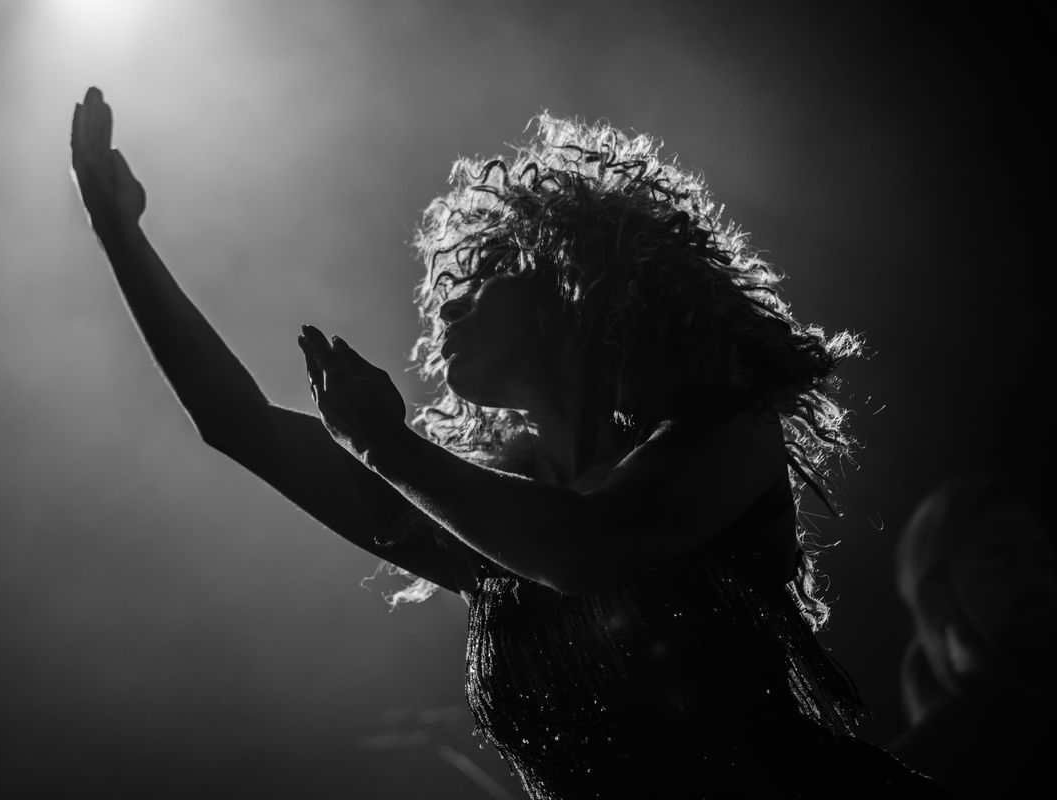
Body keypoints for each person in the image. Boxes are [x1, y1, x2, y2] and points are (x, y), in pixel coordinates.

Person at [70, 87, 940, 798]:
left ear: (578, 289)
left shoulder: (727, 430)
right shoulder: (488, 515)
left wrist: (390, 449)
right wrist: (120, 235)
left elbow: (588, 547)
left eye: (483, 278)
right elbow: (241, 426)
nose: (446, 303)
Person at [890, 476, 1057, 797]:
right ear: (937, 599)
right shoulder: (916, 774)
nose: (1036, 582)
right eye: (1003, 565)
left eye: (1043, 558)